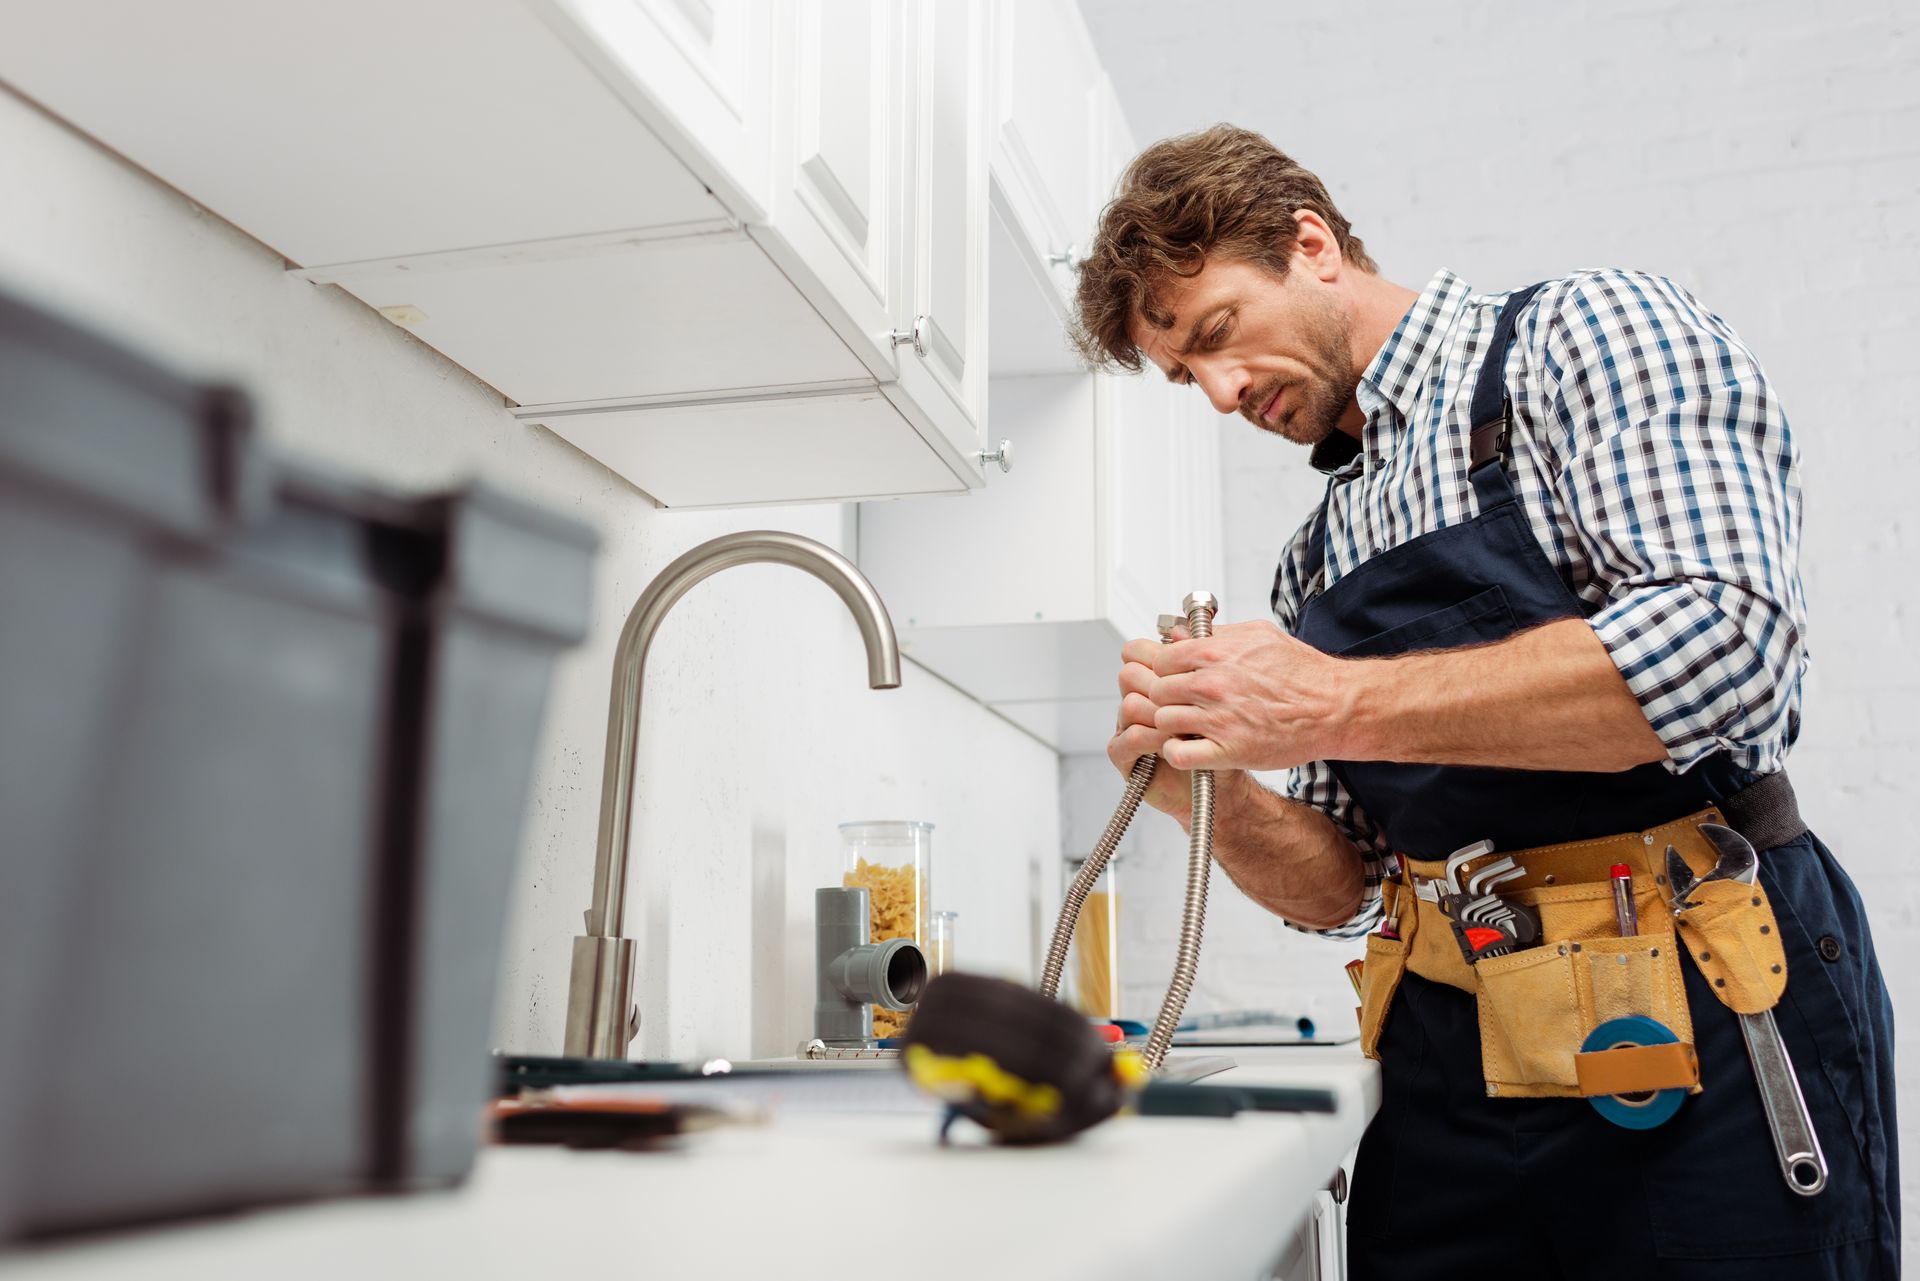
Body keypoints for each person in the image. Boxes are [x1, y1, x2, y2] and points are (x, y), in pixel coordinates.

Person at [1072, 124, 1898, 1280]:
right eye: (1183, 376)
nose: (1217, 393)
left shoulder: (1584, 336)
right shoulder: (1312, 558)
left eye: (1216, 335)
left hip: (1695, 1004)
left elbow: (1727, 639)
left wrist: (1328, 703)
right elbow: (1345, 886)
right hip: (1449, 1056)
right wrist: (1199, 785)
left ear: (1310, 245)